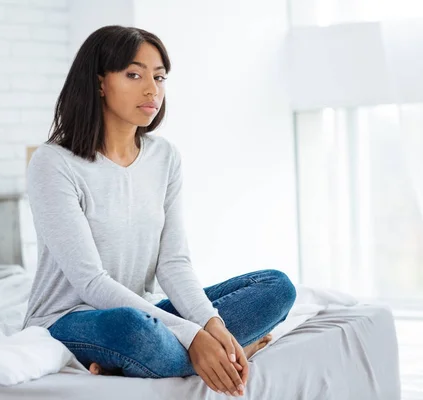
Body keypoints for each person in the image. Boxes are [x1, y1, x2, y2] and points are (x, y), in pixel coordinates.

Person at [22, 25, 296, 397]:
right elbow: (90, 282)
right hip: (71, 321)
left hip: (145, 312)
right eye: (134, 75)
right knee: (135, 331)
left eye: (159, 77)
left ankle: (185, 357)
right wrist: (192, 335)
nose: (152, 90)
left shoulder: (164, 157)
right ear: (100, 82)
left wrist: (209, 325)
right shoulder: (53, 163)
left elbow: (173, 263)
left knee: (276, 287)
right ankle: (231, 351)